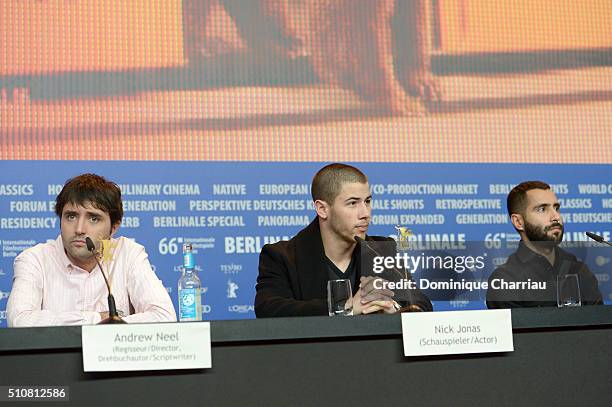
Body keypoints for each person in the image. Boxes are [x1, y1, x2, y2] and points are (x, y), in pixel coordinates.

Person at [255, 163, 432, 317]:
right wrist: (345, 307)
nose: (365, 214)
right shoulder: (282, 256)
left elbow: (421, 305)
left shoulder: (381, 250)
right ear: (322, 209)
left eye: (368, 201)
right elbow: (269, 309)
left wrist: (392, 308)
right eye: (353, 203)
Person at [7, 174, 176, 326]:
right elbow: (19, 320)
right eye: (71, 216)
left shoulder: (128, 254)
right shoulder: (35, 259)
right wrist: (98, 319)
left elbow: (164, 316)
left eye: (94, 218)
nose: (79, 229)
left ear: (114, 227)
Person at [486, 181, 603, 308]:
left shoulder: (579, 269)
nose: (556, 217)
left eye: (556, 208)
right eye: (542, 209)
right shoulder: (505, 280)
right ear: (518, 222)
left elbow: (600, 323)